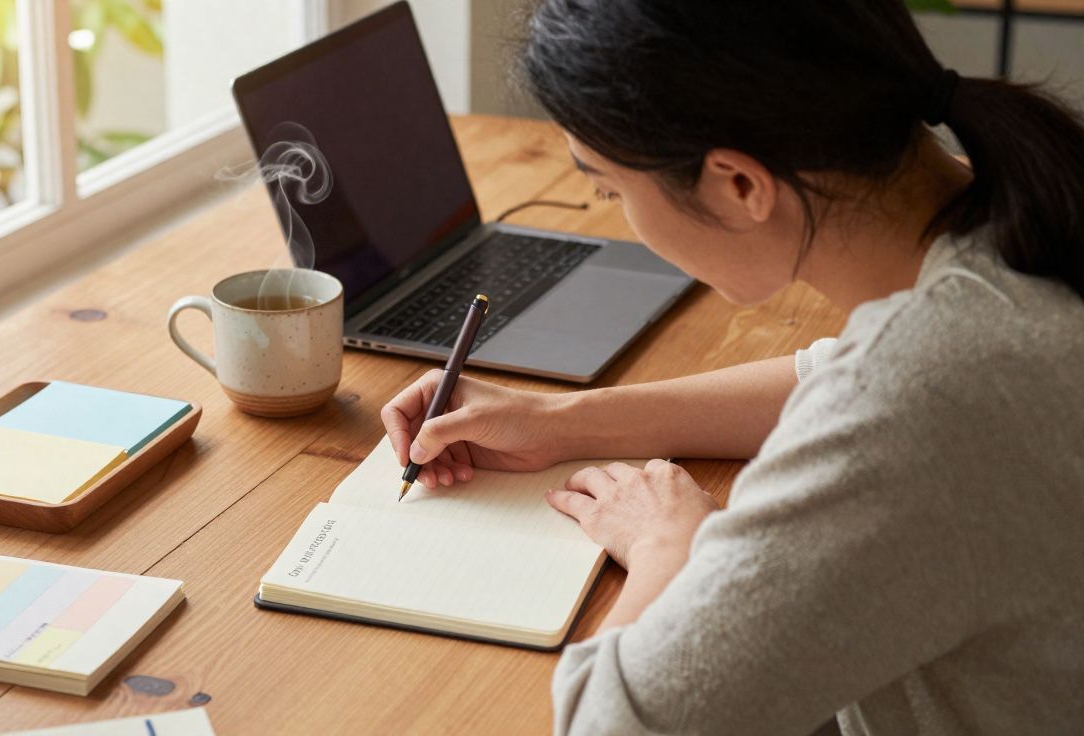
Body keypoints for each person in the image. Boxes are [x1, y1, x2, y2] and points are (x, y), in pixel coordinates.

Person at [379, 1, 1084, 734]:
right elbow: (832, 376)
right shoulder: (1018, 216)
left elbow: (606, 727)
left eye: (610, 190)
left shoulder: (918, 403)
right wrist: (562, 420)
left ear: (739, 185)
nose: (617, 211)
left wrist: (671, 549)